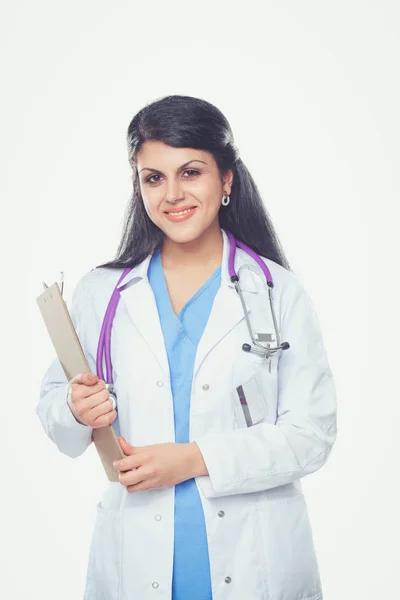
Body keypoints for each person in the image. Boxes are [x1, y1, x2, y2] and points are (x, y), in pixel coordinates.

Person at [36, 94, 337, 600]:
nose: (172, 194)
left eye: (190, 172)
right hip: (135, 557)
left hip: (255, 559)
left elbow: (312, 434)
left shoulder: (276, 291)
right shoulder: (103, 293)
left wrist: (197, 458)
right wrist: (73, 406)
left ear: (226, 180)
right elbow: (56, 416)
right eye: (154, 178)